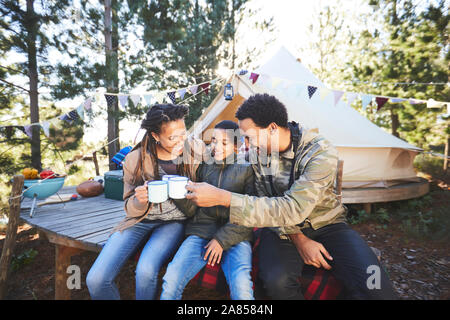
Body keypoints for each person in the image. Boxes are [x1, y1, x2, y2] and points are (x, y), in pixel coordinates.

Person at [185, 94, 397, 300]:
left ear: (272, 129)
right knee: (277, 282)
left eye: (249, 137)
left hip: (328, 224)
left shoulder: (319, 152)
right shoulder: (257, 155)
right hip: (280, 230)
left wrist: (224, 198)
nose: (245, 145)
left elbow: (294, 207)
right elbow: (264, 200)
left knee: (375, 283)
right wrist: (299, 239)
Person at [86, 104, 205, 300]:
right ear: (155, 136)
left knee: (146, 270)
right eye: (172, 137)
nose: (180, 141)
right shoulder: (135, 159)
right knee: (96, 280)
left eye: (183, 133)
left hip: (174, 222)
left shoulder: (196, 150)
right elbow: (128, 205)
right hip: (139, 220)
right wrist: (139, 200)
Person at [160, 120, 255, 300]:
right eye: (213, 141)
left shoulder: (248, 170)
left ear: (237, 146)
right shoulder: (205, 166)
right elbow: (192, 210)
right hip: (201, 231)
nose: (216, 147)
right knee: (171, 279)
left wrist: (221, 240)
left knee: (242, 288)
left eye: (224, 143)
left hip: (237, 235)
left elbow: (251, 213)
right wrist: (176, 192)